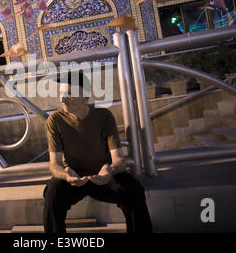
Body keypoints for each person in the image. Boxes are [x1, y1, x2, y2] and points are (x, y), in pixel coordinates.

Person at [43, 70, 153, 233]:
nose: (62, 99)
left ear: (84, 96)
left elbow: (119, 159)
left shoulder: (104, 116)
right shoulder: (55, 120)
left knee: (134, 189)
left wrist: (110, 170)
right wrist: (65, 175)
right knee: (53, 192)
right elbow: (54, 164)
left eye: (69, 94)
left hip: (103, 177)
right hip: (74, 178)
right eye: (60, 94)